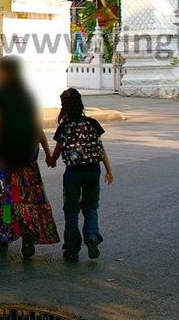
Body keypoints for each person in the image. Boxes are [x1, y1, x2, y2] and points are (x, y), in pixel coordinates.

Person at [0, 56, 60, 258]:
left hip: (5, 162)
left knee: (5, 201)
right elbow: (38, 128)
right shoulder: (28, 96)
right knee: (28, 201)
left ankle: (5, 233)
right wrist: (48, 153)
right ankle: (27, 234)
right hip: (28, 162)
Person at [50, 87, 114, 262]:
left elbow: (57, 151)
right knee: (91, 207)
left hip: (73, 173)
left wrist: (52, 160)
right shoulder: (92, 124)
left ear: (64, 106)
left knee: (71, 210)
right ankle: (92, 237)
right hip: (93, 170)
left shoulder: (64, 127)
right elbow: (101, 150)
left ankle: (71, 248)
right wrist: (109, 170)